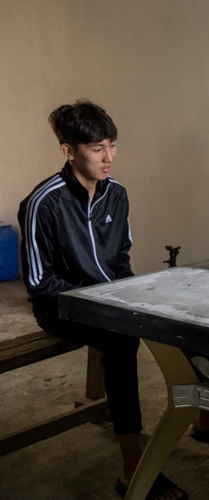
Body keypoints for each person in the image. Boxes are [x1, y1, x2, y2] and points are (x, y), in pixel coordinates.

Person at [18, 100, 187, 500]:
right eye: (97, 149)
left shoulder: (118, 194)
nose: (109, 157)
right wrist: (102, 302)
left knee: (181, 316)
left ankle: (207, 416)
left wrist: (133, 295)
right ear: (68, 151)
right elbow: (40, 283)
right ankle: (131, 469)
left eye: (112, 145)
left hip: (109, 297)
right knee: (121, 337)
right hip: (59, 306)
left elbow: (121, 259)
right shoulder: (45, 202)